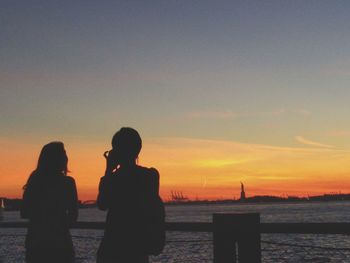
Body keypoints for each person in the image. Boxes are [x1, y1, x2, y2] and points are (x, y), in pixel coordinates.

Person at [97, 127, 163, 263]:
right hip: (138, 245)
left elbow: (102, 204)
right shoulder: (150, 175)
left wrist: (109, 169)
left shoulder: (111, 179)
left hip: (112, 244)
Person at [21, 142, 78, 263]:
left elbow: (24, 212)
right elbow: (74, 215)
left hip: (36, 243)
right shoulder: (68, 183)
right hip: (60, 243)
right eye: (64, 154)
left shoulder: (35, 180)